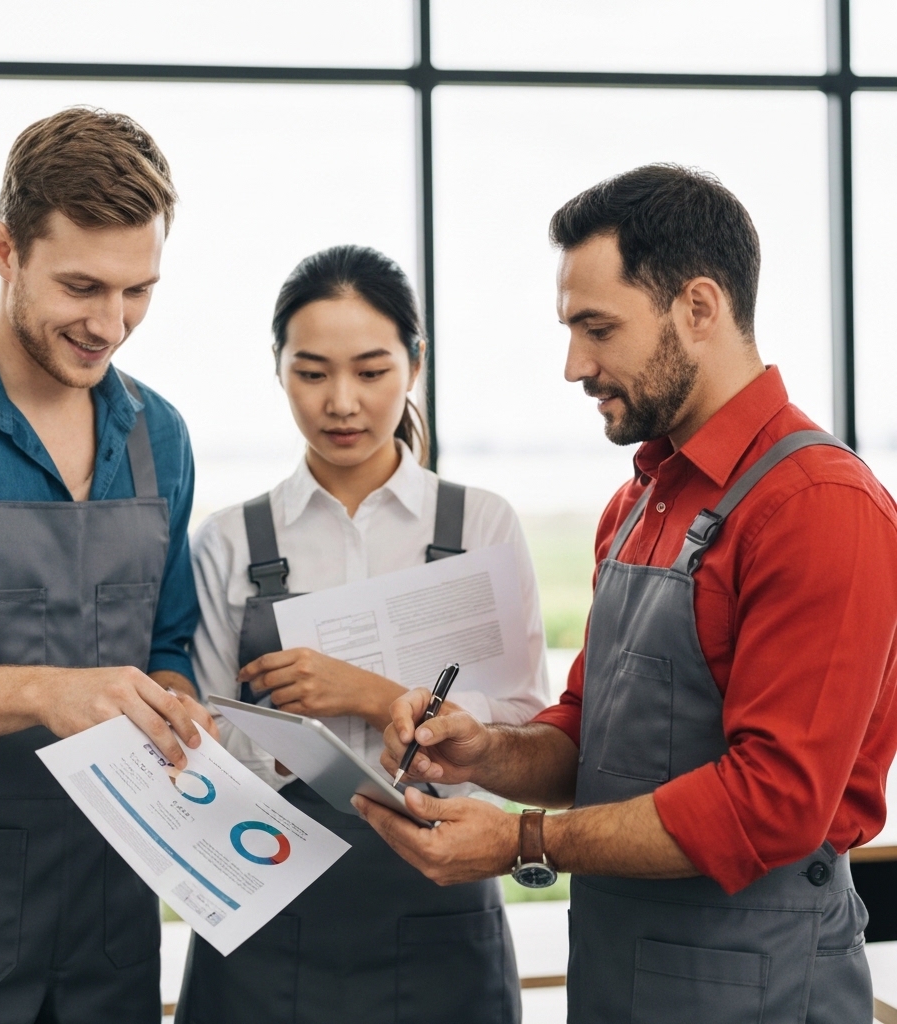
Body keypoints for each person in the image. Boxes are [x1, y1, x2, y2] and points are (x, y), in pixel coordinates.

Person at [357, 165, 897, 1023]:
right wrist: (487, 752)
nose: (575, 364)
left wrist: (523, 841)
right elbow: (592, 732)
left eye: (597, 327)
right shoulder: (637, 500)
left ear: (699, 308)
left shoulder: (819, 506)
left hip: (759, 985)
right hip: (619, 977)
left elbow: (776, 804)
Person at [0, 107, 217, 1023]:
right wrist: (42, 692)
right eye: (82, 286)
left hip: (109, 919)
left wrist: (177, 704)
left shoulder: (160, 435)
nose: (110, 324)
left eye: (137, 290)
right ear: (5, 249)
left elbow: (169, 639)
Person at [179, 244, 549, 1024]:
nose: (340, 401)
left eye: (371, 371)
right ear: (277, 368)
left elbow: (526, 733)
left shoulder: (479, 525)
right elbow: (203, 741)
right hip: (262, 917)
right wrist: (270, 748)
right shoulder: (229, 542)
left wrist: (368, 696)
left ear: (415, 365)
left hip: (439, 917)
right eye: (311, 373)